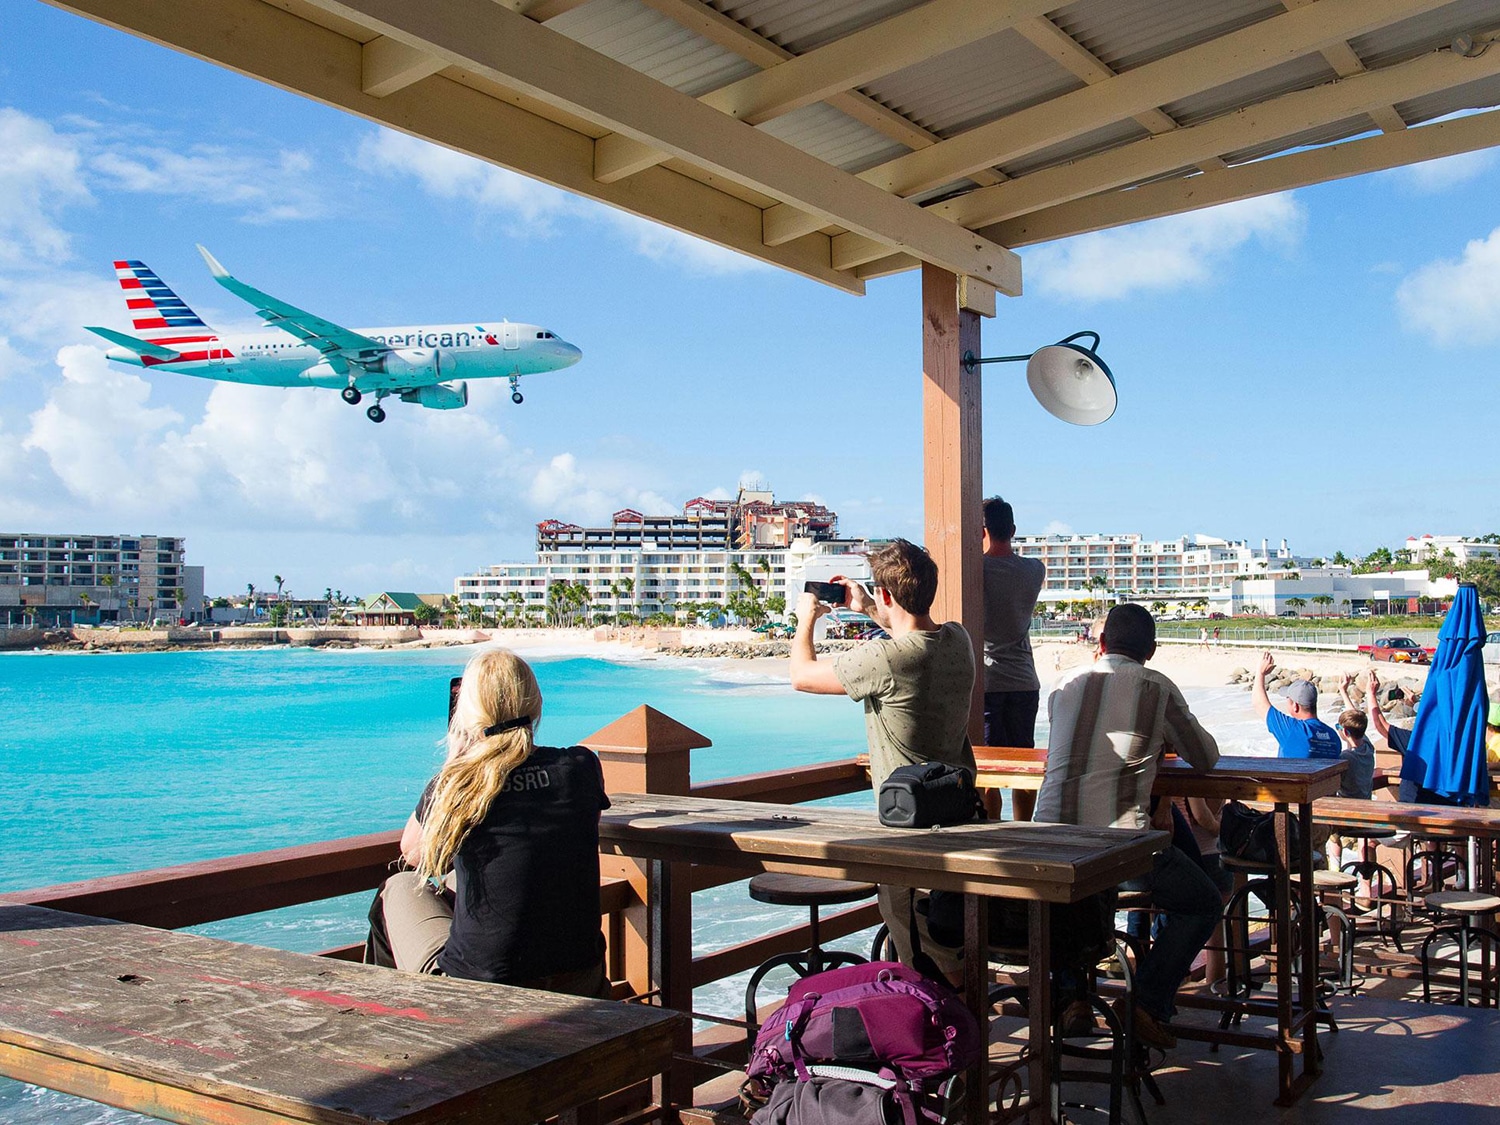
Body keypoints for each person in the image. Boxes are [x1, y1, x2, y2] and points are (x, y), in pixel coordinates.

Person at [1035, 604, 1222, 1049]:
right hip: (1118, 847)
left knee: (1077, 891)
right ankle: (1147, 1001)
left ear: (1100, 645)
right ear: (1151, 651)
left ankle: (1073, 997)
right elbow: (1206, 756)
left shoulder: (1063, 685)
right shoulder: (1156, 687)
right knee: (1202, 902)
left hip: (1047, 839)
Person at [374, 648, 611, 997]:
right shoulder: (580, 766)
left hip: (482, 993)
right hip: (581, 981)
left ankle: (391, 1015)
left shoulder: (458, 781)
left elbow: (412, 853)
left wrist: (457, 759)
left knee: (398, 888)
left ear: (467, 714)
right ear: (535, 703)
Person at [789, 538, 975, 976]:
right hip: (962, 816)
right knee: (955, 950)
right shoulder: (958, 640)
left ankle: (939, 1041)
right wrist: (871, 607)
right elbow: (913, 633)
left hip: (908, 833)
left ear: (888, 593)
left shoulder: (885, 660)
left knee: (922, 962)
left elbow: (801, 675)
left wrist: (805, 620)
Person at [980, 496, 1046, 749]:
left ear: (981, 531)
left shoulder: (977, 569)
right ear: (1013, 531)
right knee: (1023, 762)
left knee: (988, 768)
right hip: (1024, 680)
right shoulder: (1034, 570)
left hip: (988, 682)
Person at [1251, 653, 1340, 759]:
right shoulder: (1333, 736)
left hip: (1293, 775)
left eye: (1287, 699)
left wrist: (1260, 673)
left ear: (1295, 706)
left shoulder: (1293, 730)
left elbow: (1259, 704)